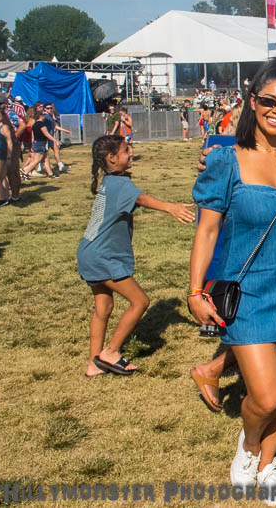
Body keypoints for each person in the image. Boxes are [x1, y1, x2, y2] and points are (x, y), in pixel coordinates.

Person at [189, 60, 276, 502]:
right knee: (266, 396)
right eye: (269, 101)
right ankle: (248, 448)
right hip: (247, 295)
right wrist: (195, 291)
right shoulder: (225, 160)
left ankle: (266, 465)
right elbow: (207, 230)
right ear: (252, 101)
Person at [78, 135, 195, 378]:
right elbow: (141, 199)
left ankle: (93, 363)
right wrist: (170, 207)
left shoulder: (110, 181)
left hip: (88, 253)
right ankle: (111, 352)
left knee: (103, 308)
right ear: (112, 158)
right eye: (126, 150)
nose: (131, 153)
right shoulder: (121, 184)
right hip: (103, 257)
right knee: (140, 301)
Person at [20, 108, 57, 179]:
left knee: (46, 159)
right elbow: (46, 134)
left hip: (36, 143)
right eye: (43, 115)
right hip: (40, 143)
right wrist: (55, 140)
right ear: (40, 116)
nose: (44, 116)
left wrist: (32, 144)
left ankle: (51, 174)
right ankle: (25, 172)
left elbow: (33, 135)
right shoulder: (41, 125)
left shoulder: (34, 124)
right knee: (37, 160)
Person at [0, 106, 12, 207]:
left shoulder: (4, 127)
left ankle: (1, 198)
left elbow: (9, 142)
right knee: (2, 176)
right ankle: (6, 197)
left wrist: (9, 155)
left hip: (0, 152)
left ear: (3, 116)